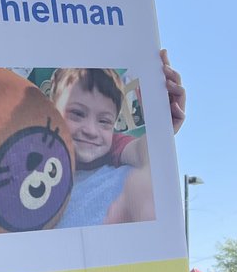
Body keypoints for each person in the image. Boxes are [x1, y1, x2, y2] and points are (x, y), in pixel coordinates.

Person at [50, 51, 185, 228]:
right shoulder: (36, 144)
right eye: (77, 114)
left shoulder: (113, 144)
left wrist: (161, 134)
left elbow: (140, 149)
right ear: (51, 111)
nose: (91, 131)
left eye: (104, 121)